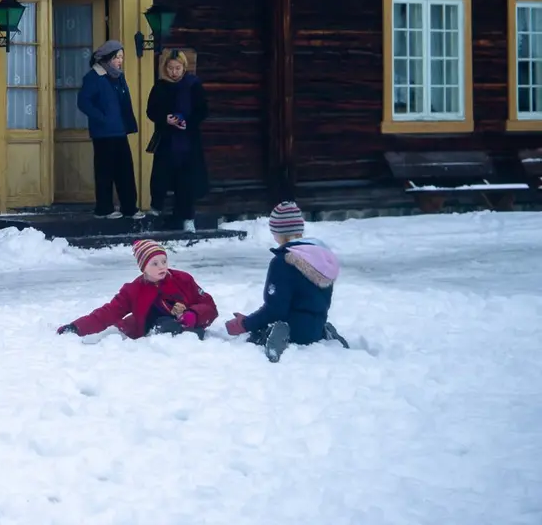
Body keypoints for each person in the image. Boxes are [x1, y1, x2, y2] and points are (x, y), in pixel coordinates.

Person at [225, 201, 349, 362]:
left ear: (278, 231)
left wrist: (246, 324)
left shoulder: (283, 262)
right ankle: (324, 331)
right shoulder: (322, 258)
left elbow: (275, 309)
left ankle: (279, 332)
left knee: (259, 334)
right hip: (316, 326)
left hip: (293, 330)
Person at [57, 239, 218, 339]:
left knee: (182, 329)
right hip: (154, 331)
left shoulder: (183, 279)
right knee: (165, 325)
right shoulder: (133, 290)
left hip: (186, 325)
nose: (162, 267)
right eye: (154, 263)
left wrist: (193, 314)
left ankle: (186, 333)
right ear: (144, 268)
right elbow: (108, 313)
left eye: (164, 261)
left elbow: (210, 306)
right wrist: (77, 327)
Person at [146, 49, 210, 234]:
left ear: (184, 67)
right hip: (166, 140)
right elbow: (151, 110)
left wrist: (187, 122)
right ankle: (158, 211)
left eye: (178, 68)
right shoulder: (160, 86)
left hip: (187, 141)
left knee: (186, 182)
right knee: (161, 178)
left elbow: (202, 110)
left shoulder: (193, 85)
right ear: (166, 68)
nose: (174, 72)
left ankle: (188, 218)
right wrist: (165, 118)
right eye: (171, 68)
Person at [77, 39, 139, 218]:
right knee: (105, 172)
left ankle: (129, 208)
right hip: (103, 133)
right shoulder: (94, 77)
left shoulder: (118, 76)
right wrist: (102, 118)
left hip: (119, 131)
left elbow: (124, 102)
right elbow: (83, 102)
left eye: (121, 57)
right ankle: (104, 209)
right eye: (117, 57)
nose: (120, 61)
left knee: (125, 171)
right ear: (107, 58)